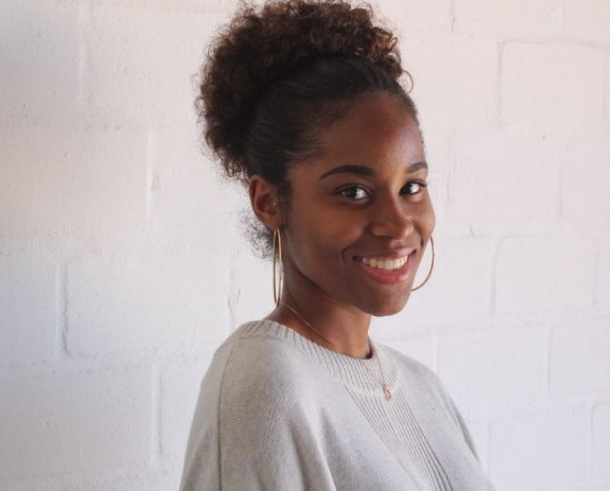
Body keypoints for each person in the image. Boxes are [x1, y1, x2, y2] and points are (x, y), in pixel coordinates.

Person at [180, 1, 496, 489]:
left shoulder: (422, 388)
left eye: (411, 187)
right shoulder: (266, 384)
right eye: (353, 192)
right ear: (269, 202)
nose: (397, 225)